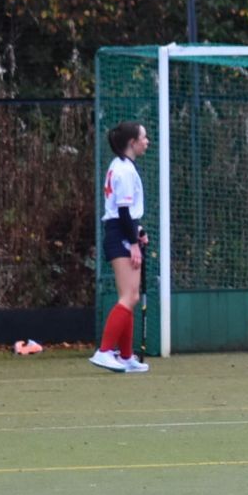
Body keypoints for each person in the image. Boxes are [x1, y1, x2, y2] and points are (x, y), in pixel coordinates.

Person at [91, 121, 152, 373]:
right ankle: (104, 352)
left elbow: (121, 211)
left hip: (122, 231)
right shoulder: (124, 171)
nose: (147, 141)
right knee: (129, 296)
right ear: (132, 143)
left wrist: (138, 231)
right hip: (120, 235)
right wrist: (134, 243)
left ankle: (126, 357)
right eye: (144, 137)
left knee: (130, 296)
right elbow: (123, 212)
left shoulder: (121, 166)